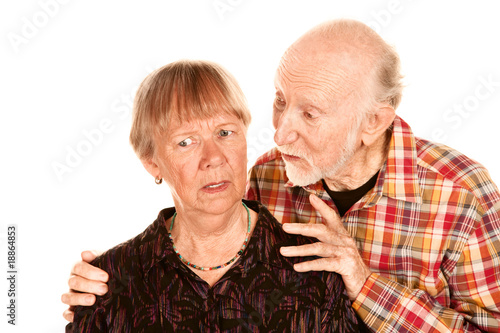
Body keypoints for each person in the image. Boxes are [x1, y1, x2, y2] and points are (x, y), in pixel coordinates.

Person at [62, 20, 500, 332]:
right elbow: (206, 233)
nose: (280, 130)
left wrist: (366, 285)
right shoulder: (269, 175)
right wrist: (114, 282)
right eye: (279, 100)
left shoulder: (463, 197)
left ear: (374, 122)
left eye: (309, 113)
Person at [65, 59, 363, 332]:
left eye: (224, 133)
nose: (213, 158)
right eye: (185, 142)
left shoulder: (314, 272)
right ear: (152, 162)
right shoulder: (109, 282)